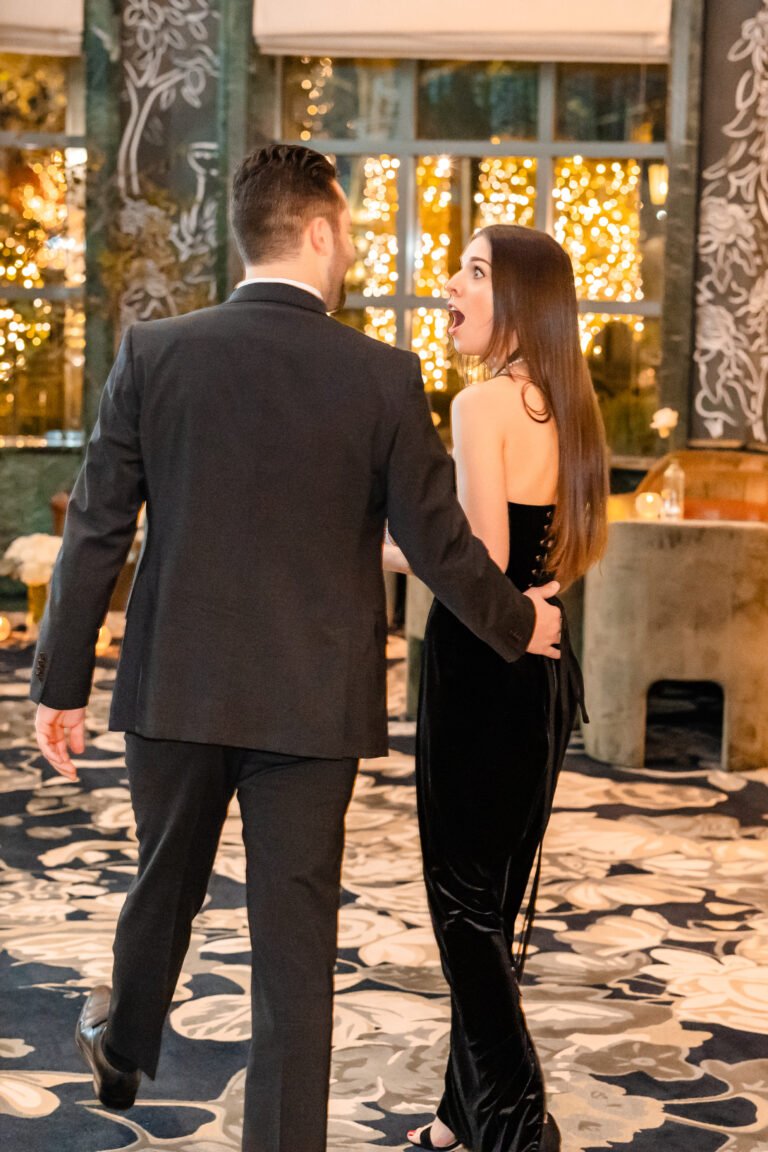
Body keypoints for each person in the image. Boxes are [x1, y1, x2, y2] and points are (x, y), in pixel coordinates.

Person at [30, 146, 564, 1152]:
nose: (354, 248)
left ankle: (121, 1035)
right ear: (318, 232)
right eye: (352, 231)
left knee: (165, 879)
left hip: (175, 691)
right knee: (294, 951)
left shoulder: (154, 351)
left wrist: (59, 681)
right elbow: (440, 541)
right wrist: (518, 620)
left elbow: (95, 530)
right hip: (314, 706)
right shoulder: (381, 376)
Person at [387, 225, 608, 1152]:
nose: (450, 285)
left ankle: (516, 1126)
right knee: (492, 899)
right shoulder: (566, 407)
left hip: (483, 670)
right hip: (547, 679)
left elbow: (472, 567)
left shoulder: (483, 405)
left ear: (520, 302)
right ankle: (458, 1111)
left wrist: (374, 542)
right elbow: (526, 562)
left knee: (462, 908)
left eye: (474, 272)